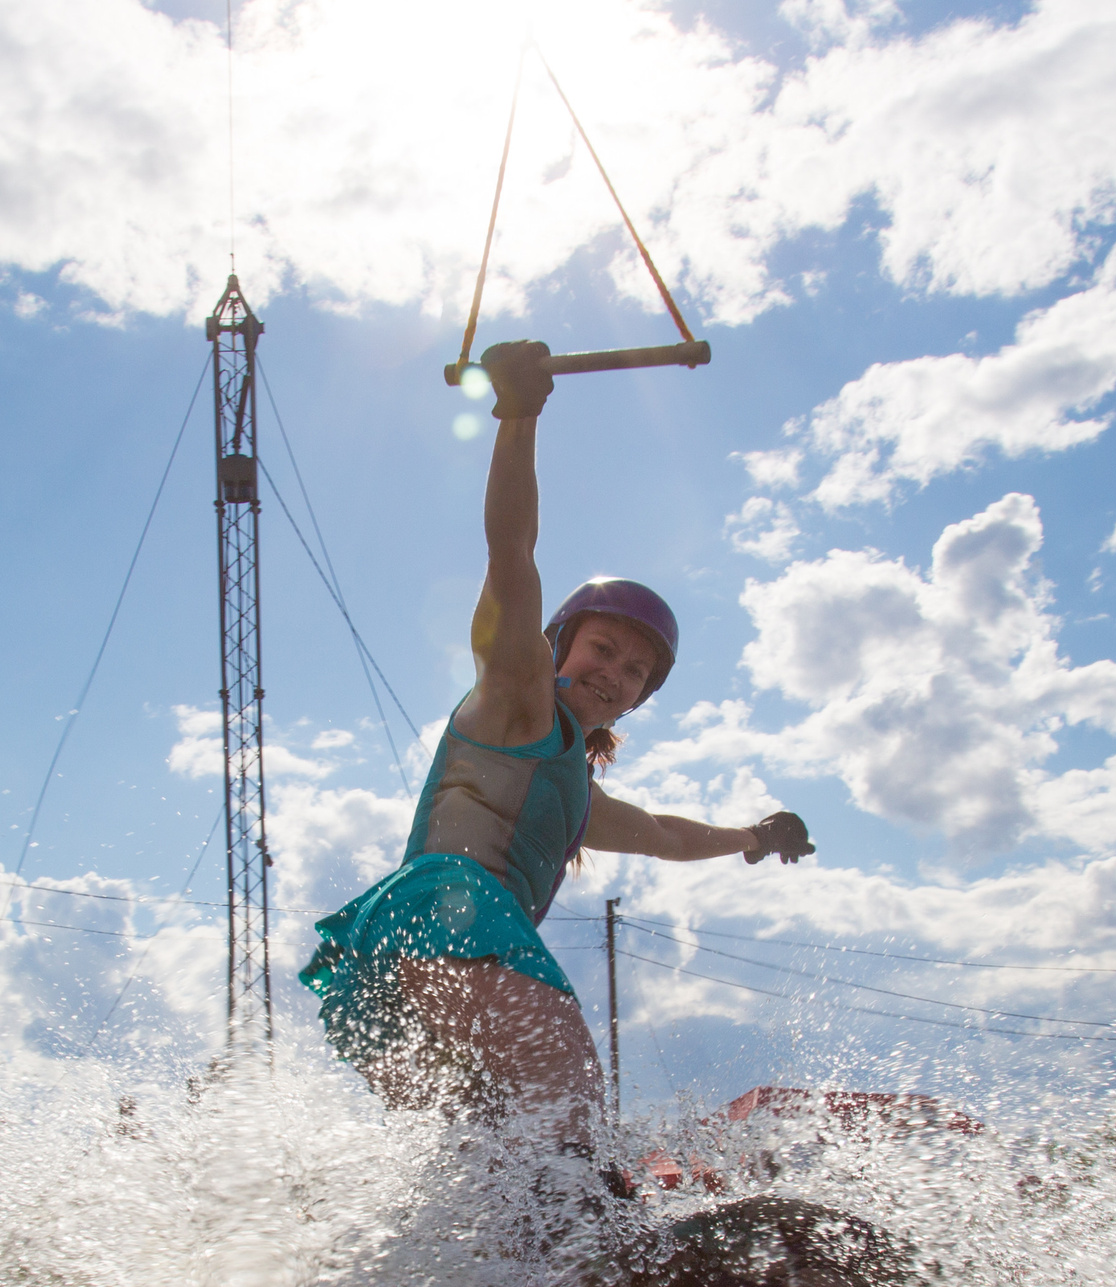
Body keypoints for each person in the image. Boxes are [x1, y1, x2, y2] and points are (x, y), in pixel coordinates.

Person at [300, 340, 813, 1188]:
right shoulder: (516, 698)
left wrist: (752, 836)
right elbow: (512, 553)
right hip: (444, 917)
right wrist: (518, 416)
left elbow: (661, 835)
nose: (614, 672)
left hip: (403, 973)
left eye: (635, 672)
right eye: (603, 647)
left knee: (485, 1159)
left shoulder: (573, 785)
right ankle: (591, 1255)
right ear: (557, 644)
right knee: (566, 1085)